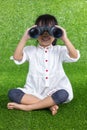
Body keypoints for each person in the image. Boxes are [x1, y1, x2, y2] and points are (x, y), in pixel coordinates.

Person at [7, 14, 80, 115]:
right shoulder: (30, 50)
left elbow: (74, 56)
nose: (45, 35)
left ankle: (29, 107)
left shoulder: (59, 50)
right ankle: (49, 104)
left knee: (63, 94)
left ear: (55, 33)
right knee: (12, 93)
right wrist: (25, 38)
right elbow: (17, 57)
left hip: (56, 89)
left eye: (50, 31)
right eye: (41, 31)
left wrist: (64, 38)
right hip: (34, 90)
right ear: (35, 33)